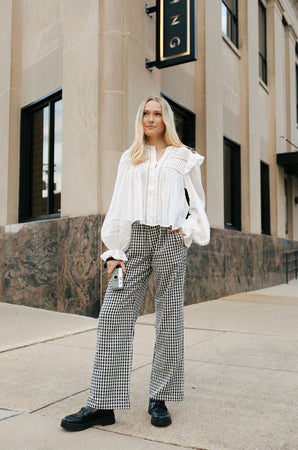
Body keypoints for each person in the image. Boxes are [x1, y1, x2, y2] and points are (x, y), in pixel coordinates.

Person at [60, 95, 210, 432]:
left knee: (170, 318)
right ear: (140, 118)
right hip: (134, 240)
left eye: (158, 113)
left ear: (166, 119)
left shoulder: (183, 158)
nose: (151, 118)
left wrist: (187, 230)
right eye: (146, 113)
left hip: (171, 241)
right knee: (112, 314)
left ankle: (159, 397)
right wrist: (114, 251)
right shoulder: (130, 158)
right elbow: (118, 204)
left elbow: (197, 203)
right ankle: (102, 403)